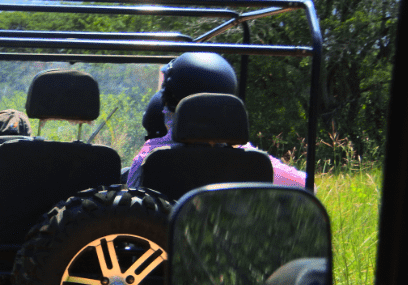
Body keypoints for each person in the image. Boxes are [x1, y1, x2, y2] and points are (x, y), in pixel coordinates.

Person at [126, 52, 307, 188]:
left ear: (169, 105)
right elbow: (307, 187)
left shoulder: (148, 159)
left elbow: (129, 217)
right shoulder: (254, 160)